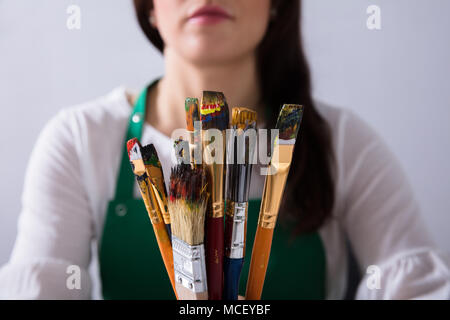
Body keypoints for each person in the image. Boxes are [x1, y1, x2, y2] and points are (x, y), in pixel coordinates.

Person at [0, 0, 449, 300]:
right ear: (149, 8)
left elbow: (417, 285)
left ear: (276, 4)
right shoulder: (80, 138)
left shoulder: (343, 141)